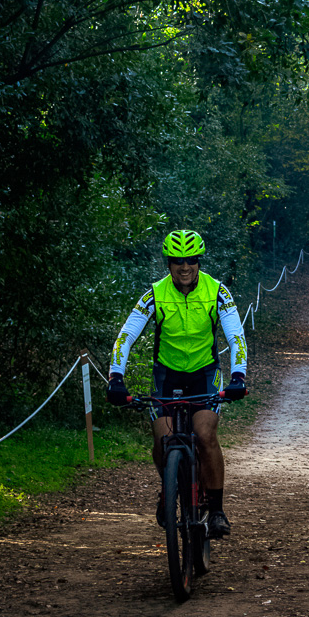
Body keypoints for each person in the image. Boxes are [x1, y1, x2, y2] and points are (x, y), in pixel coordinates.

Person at [106, 228, 247, 538]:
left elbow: (235, 336)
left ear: (199, 261)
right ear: (168, 264)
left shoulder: (217, 291)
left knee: (205, 434)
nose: (185, 267)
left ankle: (218, 509)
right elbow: (126, 335)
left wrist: (238, 375)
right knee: (161, 441)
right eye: (177, 261)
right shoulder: (155, 293)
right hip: (166, 375)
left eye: (191, 260)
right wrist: (116, 377)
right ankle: (169, 489)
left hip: (204, 373)